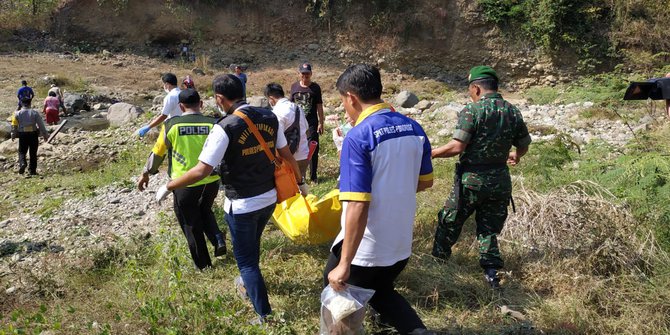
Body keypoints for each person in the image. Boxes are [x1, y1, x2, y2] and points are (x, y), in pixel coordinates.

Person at [158, 74, 304, 322]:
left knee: (246, 262)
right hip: (269, 198)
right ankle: (248, 285)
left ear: (219, 99)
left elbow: (201, 170)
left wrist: (169, 185)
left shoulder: (224, 127)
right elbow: (286, 154)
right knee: (251, 247)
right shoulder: (269, 116)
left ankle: (264, 315)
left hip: (242, 204)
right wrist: (300, 182)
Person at [324, 64, 434, 334]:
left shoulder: (359, 137)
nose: (345, 110)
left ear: (351, 97)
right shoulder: (413, 127)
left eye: (343, 102)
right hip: (399, 247)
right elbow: (425, 182)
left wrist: (345, 263)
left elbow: (358, 204)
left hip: (366, 251)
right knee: (382, 293)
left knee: (340, 304)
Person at [430, 66, 532, 288]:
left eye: (470, 89)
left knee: (450, 220)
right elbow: (523, 144)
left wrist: (431, 153)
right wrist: (516, 155)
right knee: (488, 228)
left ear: (476, 88)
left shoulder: (473, 111)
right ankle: (491, 273)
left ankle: (437, 263)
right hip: (500, 181)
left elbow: (457, 146)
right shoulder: (513, 111)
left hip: (472, 181)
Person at [137, 89, 227, 270]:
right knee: (205, 209)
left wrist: (147, 173)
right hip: (211, 180)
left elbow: (158, 153)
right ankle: (217, 239)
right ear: (201, 104)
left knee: (190, 223)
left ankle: (204, 266)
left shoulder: (171, 125)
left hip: (183, 183)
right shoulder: (214, 123)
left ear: (180, 106)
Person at [264, 82, 310, 184]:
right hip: (303, 155)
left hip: (288, 159)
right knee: (301, 186)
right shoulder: (297, 108)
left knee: (289, 191)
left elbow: (276, 138)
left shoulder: (276, 112)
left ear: (271, 99)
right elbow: (306, 130)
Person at [290, 62, 324, 183]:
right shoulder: (294, 87)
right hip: (297, 124)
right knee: (297, 148)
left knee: (313, 148)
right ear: (299, 74)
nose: (305, 76)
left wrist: (321, 122)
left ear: (311, 74)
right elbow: (291, 106)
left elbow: (319, 105)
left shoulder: (315, 88)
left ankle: (313, 175)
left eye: (307, 73)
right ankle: (299, 175)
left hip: (311, 123)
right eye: (303, 73)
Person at [11, 98, 49, 175]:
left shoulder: (17, 113)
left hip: (23, 134)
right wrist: (45, 134)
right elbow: (41, 125)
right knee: (33, 153)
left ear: (21, 103)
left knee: (22, 151)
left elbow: (14, 126)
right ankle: (32, 171)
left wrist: (13, 134)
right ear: (30, 103)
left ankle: (22, 163)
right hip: (33, 134)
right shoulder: (35, 113)